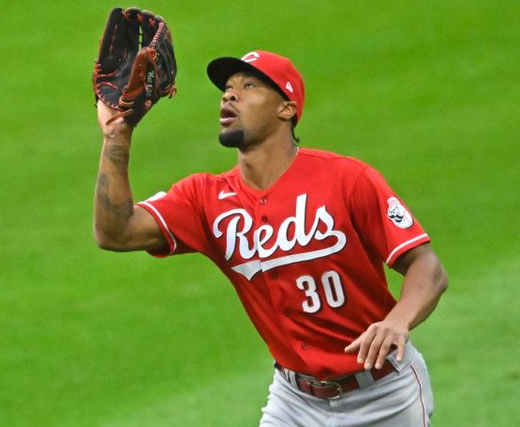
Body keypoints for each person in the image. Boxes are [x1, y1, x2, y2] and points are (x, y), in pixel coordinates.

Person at [92, 49, 448, 426]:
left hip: (383, 395)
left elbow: (427, 266)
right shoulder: (203, 198)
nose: (229, 95)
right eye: (227, 89)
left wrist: (398, 320)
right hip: (295, 401)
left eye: (249, 86)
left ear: (286, 109)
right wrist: (118, 136)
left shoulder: (346, 179)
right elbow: (116, 234)